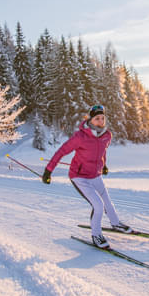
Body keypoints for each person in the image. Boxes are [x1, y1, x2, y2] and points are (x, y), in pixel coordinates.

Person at [42, 105, 132, 248]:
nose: (101, 121)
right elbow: (61, 151)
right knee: (98, 205)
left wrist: (104, 165)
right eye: (97, 119)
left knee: (107, 201)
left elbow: (103, 152)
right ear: (90, 120)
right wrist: (48, 171)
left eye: (103, 118)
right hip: (79, 177)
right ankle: (96, 235)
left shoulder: (106, 135)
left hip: (95, 175)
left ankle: (116, 223)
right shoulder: (80, 137)